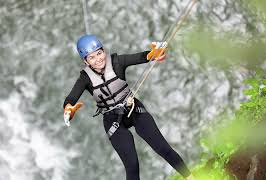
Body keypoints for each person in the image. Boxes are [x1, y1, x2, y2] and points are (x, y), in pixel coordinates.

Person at [63, 34, 194, 180]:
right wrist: (68, 108)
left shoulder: (117, 62)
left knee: (163, 148)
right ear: (86, 62)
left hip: (134, 109)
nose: (98, 59)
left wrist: (153, 54)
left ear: (104, 51)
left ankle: (191, 177)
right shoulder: (85, 78)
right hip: (113, 121)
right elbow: (71, 97)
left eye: (99, 53)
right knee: (132, 166)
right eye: (91, 57)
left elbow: (141, 57)